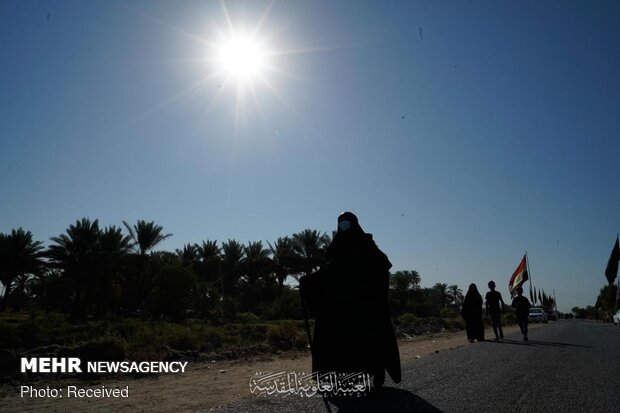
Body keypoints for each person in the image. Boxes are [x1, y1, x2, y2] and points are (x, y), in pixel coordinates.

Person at [299, 212, 401, 390]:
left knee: (371, 338)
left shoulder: (366, 244)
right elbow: (327, 273)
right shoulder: (335, 247)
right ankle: (346, 376)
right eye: (341, 223)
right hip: (343, 304)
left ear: (354, 223)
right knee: (343, 339)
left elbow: (383, 263)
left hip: (365, 303)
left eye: (346, 222)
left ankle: (377, 372)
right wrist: (309, 281)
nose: (343, 226)